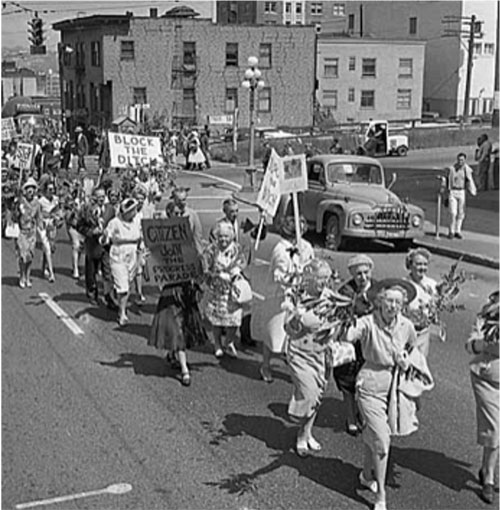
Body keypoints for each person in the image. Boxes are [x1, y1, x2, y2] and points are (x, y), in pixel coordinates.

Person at [346, 279, 432, 510]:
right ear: (380, 302)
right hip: (369, 386)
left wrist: (406, 363)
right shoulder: (367, 322)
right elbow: (349, 335)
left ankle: (365, 475)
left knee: (373, 433)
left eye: (398, 302)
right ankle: (381, 496)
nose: (393, 306)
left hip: (394, 389)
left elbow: (415, 352)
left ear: (403, 305)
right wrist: (342, 321)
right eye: (389, 301)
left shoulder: (406, 326)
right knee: (383, 440)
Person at [148, 201, 207, 387]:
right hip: (172, 289)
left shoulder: (187, 237)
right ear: (169, 214)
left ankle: (173, 354)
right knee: (178, 329)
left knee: (183, 326)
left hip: (186, 287)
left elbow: (197, 260)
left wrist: (201, 275)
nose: (181, 214)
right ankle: (184, 370)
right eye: (176, 212)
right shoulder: (162, 237)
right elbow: (154, 263)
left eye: (181, 211)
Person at [285, 258, 340, 457]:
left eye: (326, 278)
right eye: (319, 278)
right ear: (310, 278)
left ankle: (307, 432)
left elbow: (338, 322)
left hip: (320, 353)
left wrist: (334, 332)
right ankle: (300, 433)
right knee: (308, 394)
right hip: (299, 353)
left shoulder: (330, 297)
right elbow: (287, 329)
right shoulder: (297, 297)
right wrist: (296, 318)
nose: (323, 282)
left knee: (317, 396)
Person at [252, 215, 314, 383]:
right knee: (274, 333)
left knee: (296, 333)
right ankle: (265, 364)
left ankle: (294, 367)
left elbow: (311, 265)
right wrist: (294, 274)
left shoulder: (306, 246)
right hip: (279, 297)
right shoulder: (281, 249)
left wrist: (307, 274)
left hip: (298, 296)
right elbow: (278, 275)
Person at [333, 254, 377, 436]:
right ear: (352, 274)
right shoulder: (345, 291)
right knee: (348, 381)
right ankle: (351, 417)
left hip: (372, 342)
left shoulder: (378, 288)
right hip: (351, 342)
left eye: (366, 272)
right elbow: (339, 314)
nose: (363, 277)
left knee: (369, 381)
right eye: (358, 274)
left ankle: (367, 415)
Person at [465, 290, 499, 505]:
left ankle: (487, 468)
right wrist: (488, 344)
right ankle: (488, 477)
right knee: (495, 427)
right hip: (487, 378)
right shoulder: (488, 314)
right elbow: (470, 344)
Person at [202, 222, 247, 359]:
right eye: (221, 236)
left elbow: (243, 262)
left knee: (234, 319)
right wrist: (214, 274)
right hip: (216, 290)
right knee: (217, 320)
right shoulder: (211, 249)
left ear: (232, 236)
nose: (223, 239)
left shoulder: (237, 249)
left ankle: (229, 340)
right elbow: (205, 267)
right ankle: (217, 344)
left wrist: (237, 270)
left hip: (232, 291)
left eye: (226, 236)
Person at [102, 198, 142, 326]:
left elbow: (141, 238)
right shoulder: (115, 223)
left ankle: (119, 299)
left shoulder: (136, 222)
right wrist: (104, 237)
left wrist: (141, 253)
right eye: (131, 210)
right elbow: (106, 238)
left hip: (133, 256)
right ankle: (122, 312)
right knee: (123, 286)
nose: (134, 212)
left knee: (128, 283)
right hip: (119, 255)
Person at [404, 248, 438, 358]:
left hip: (423, 332)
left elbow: (435, 308)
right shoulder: (403, 284)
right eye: (418, 264)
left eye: (425, 264)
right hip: (407, 332)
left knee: (420, 363)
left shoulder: (432, 285)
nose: (422, 268)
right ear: (410, 265)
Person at [12, 178, 41, 288]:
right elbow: (15, 217)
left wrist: (41, 226)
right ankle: (22, 276)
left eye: (32, 191)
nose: (31, 193)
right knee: (22, 257)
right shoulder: (21, 202)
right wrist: (17, 208)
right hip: (22, 232)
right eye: (29, 191)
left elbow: (39, 217)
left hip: (31, 233)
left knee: (30, 257)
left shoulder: (37, 203)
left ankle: (28, 276)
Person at [445, 152, 477, 240]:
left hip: (461, 191)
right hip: (453, 191)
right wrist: (446, 193)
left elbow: (470, 180)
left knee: (461, 212)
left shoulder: (466, 169)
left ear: (465, 160)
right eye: (459, 160)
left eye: (462, 160)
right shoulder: (452, 169)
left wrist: (472, 189)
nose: (460, 162)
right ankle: (451, 231)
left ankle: (457, 231)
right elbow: (448, 181)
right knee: (453, 213)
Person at [38, 179, 62, 282]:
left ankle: (44, 267)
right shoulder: (41, 201)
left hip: (52, 225)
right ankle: (51, 273)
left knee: (50, 248)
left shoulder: (56, 199)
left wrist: (58, 218)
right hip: (43, 226)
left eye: (53, 189)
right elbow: (38, 214)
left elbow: (59, 211)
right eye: (49, 189)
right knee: (47, 247)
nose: (51, 191)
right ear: (45, 190)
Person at [171, 187, 204, 254]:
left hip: (188, 252)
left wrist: (200, 253)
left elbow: (197, 236)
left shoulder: (193, 215)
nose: (182, 203)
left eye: (184, 200)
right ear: (174, 200)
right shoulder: (167, 215)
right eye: (179, 200)